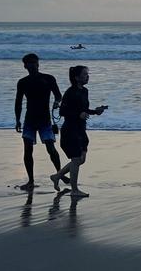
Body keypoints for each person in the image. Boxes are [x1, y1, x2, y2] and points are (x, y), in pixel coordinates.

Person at [50, 66, 107, 197]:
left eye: (88, 74)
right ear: (76, 77)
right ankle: (74, 190)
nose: (88, 76)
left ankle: (57, 176)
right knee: (76, 159)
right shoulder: (70, 92)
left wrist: (95, 111)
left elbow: (83, 110)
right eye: (85, 74)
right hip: (70, 129)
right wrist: (78, 115)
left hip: (81, 129)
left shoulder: (85, 91)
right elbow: (62, 111)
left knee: (81, 159)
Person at [15, 53, 65, 190]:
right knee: (27, 150)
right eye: (28, 63)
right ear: (25, 66)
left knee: (51, 148)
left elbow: (58, 96)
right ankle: (30, 180)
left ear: (38, 64)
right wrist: (17, 120)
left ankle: (59, 173)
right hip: (29, 120)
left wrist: (56, 102)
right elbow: (18, 102)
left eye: (34, 62)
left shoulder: (48, 79)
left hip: (45, 120)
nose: (31, 65)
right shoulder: (23, 82)